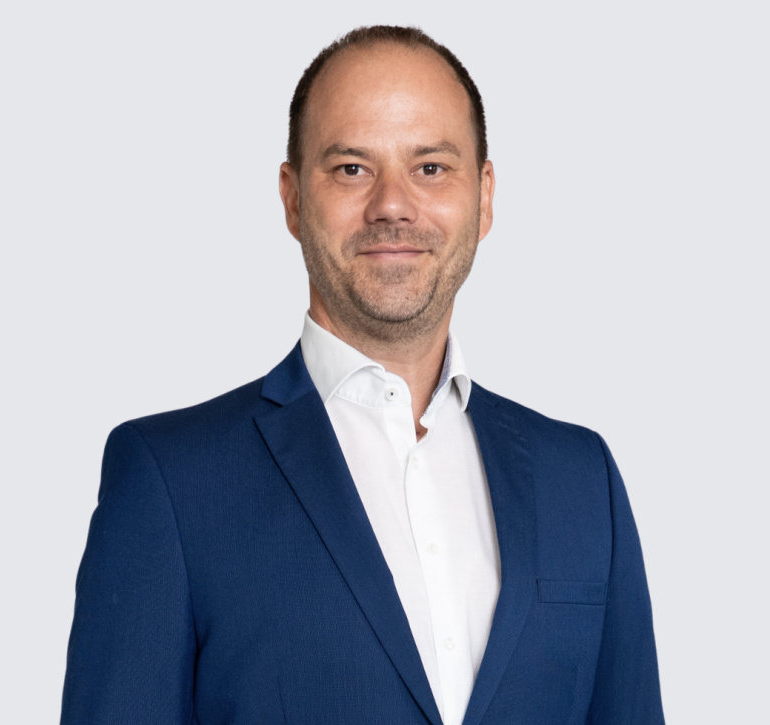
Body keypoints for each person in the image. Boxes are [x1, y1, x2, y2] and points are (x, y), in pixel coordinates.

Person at [61, 25, 664, 725]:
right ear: (292, 198)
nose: (392, 204)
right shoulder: (171, 482)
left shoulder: (582, 480)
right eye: (351, 168)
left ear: (485, 196)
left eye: (430, 167)